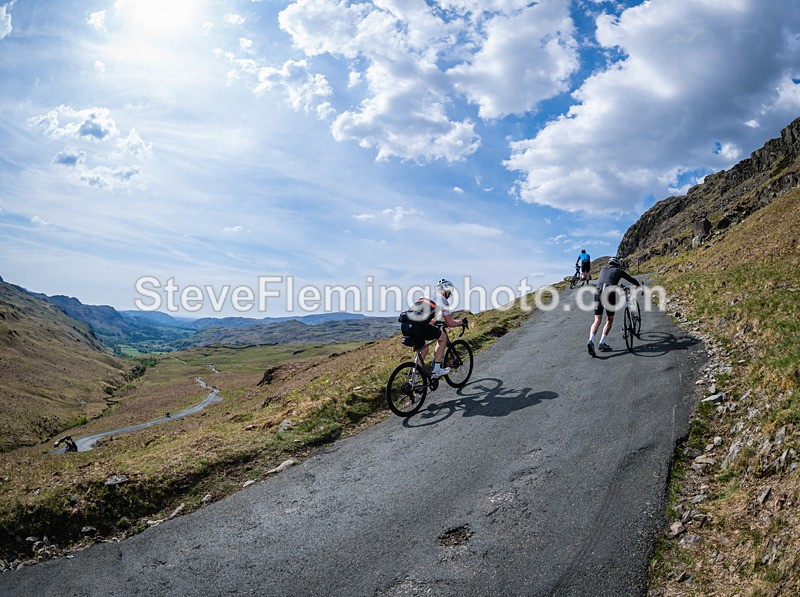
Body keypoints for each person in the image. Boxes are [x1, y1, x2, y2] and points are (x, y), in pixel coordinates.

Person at [398, 279, 466, 377]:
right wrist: (461, 322)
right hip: (418, 326)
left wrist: (434, 322)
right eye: (449, 292)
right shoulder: (443, 300)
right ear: (446, 290)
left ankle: (413, 380)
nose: (449, 295)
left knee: (423, 350)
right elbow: (450, 323)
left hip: (405, 325)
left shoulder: (425, 296)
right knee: (443, 337)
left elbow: (427, 317)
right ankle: (437, 369)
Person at [587, 257, 640, 356]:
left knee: (597, 320)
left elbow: (607, 281)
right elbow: (631, 279)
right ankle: (602, 342)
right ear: (618, 264)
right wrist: (638, 286)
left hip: (597, 293)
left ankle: (591, 340)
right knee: (609, 319)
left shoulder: (603, 270)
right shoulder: (619, 270)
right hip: (609, 293)